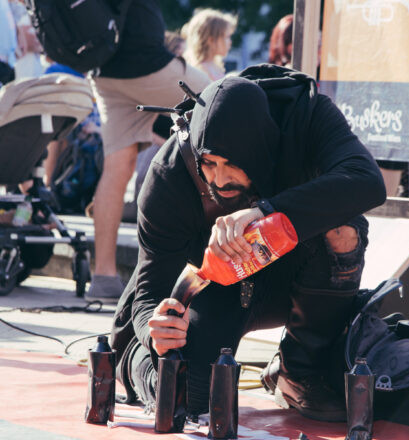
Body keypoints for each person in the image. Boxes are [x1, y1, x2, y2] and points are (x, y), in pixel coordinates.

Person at [110, 64, 386, 422]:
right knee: (186, 396)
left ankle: (299, 373)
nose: (219, 179)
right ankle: (137, 363)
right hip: (208, 288)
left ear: (262, 147)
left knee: (344, 230)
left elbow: (367, 182)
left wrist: (265, 212)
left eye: (232, 164)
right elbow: (150, 291)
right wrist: (156, 331)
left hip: (289, 278)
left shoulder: (305, 115)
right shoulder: (170, 175)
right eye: (208, 163)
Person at [85, 0, 210, 303]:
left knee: (117, 167)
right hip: (146, 64)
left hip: (104, 72)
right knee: (223, 97)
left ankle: (103, 277)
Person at [183, 8, 236, 81]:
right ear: (211, 40)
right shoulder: (201, 70)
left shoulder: (215, 66)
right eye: (227, 37)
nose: (230, 41)